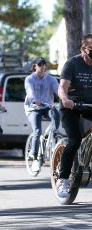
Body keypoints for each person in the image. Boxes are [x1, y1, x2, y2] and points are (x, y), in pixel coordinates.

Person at [56, 33, 92, 198]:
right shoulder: (72, 64)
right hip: (72, 106)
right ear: (83, 49)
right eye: (91, 49)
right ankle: (62, 179)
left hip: (89, 106)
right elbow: (62, 88)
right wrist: (65, 99)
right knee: (74, 140)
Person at [24, 57, 60, 172]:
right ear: (35, 66)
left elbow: (58, 90)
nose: (43, 67)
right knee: (37, 131)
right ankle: (34, 156)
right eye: (40, 65)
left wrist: (64, 99)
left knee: (56, 114)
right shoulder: (29, 79)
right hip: (33, 108)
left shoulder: (51, 79)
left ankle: (54, 133)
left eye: (44, 65)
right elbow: (29, 92)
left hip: (47, 107)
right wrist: (35, 100)